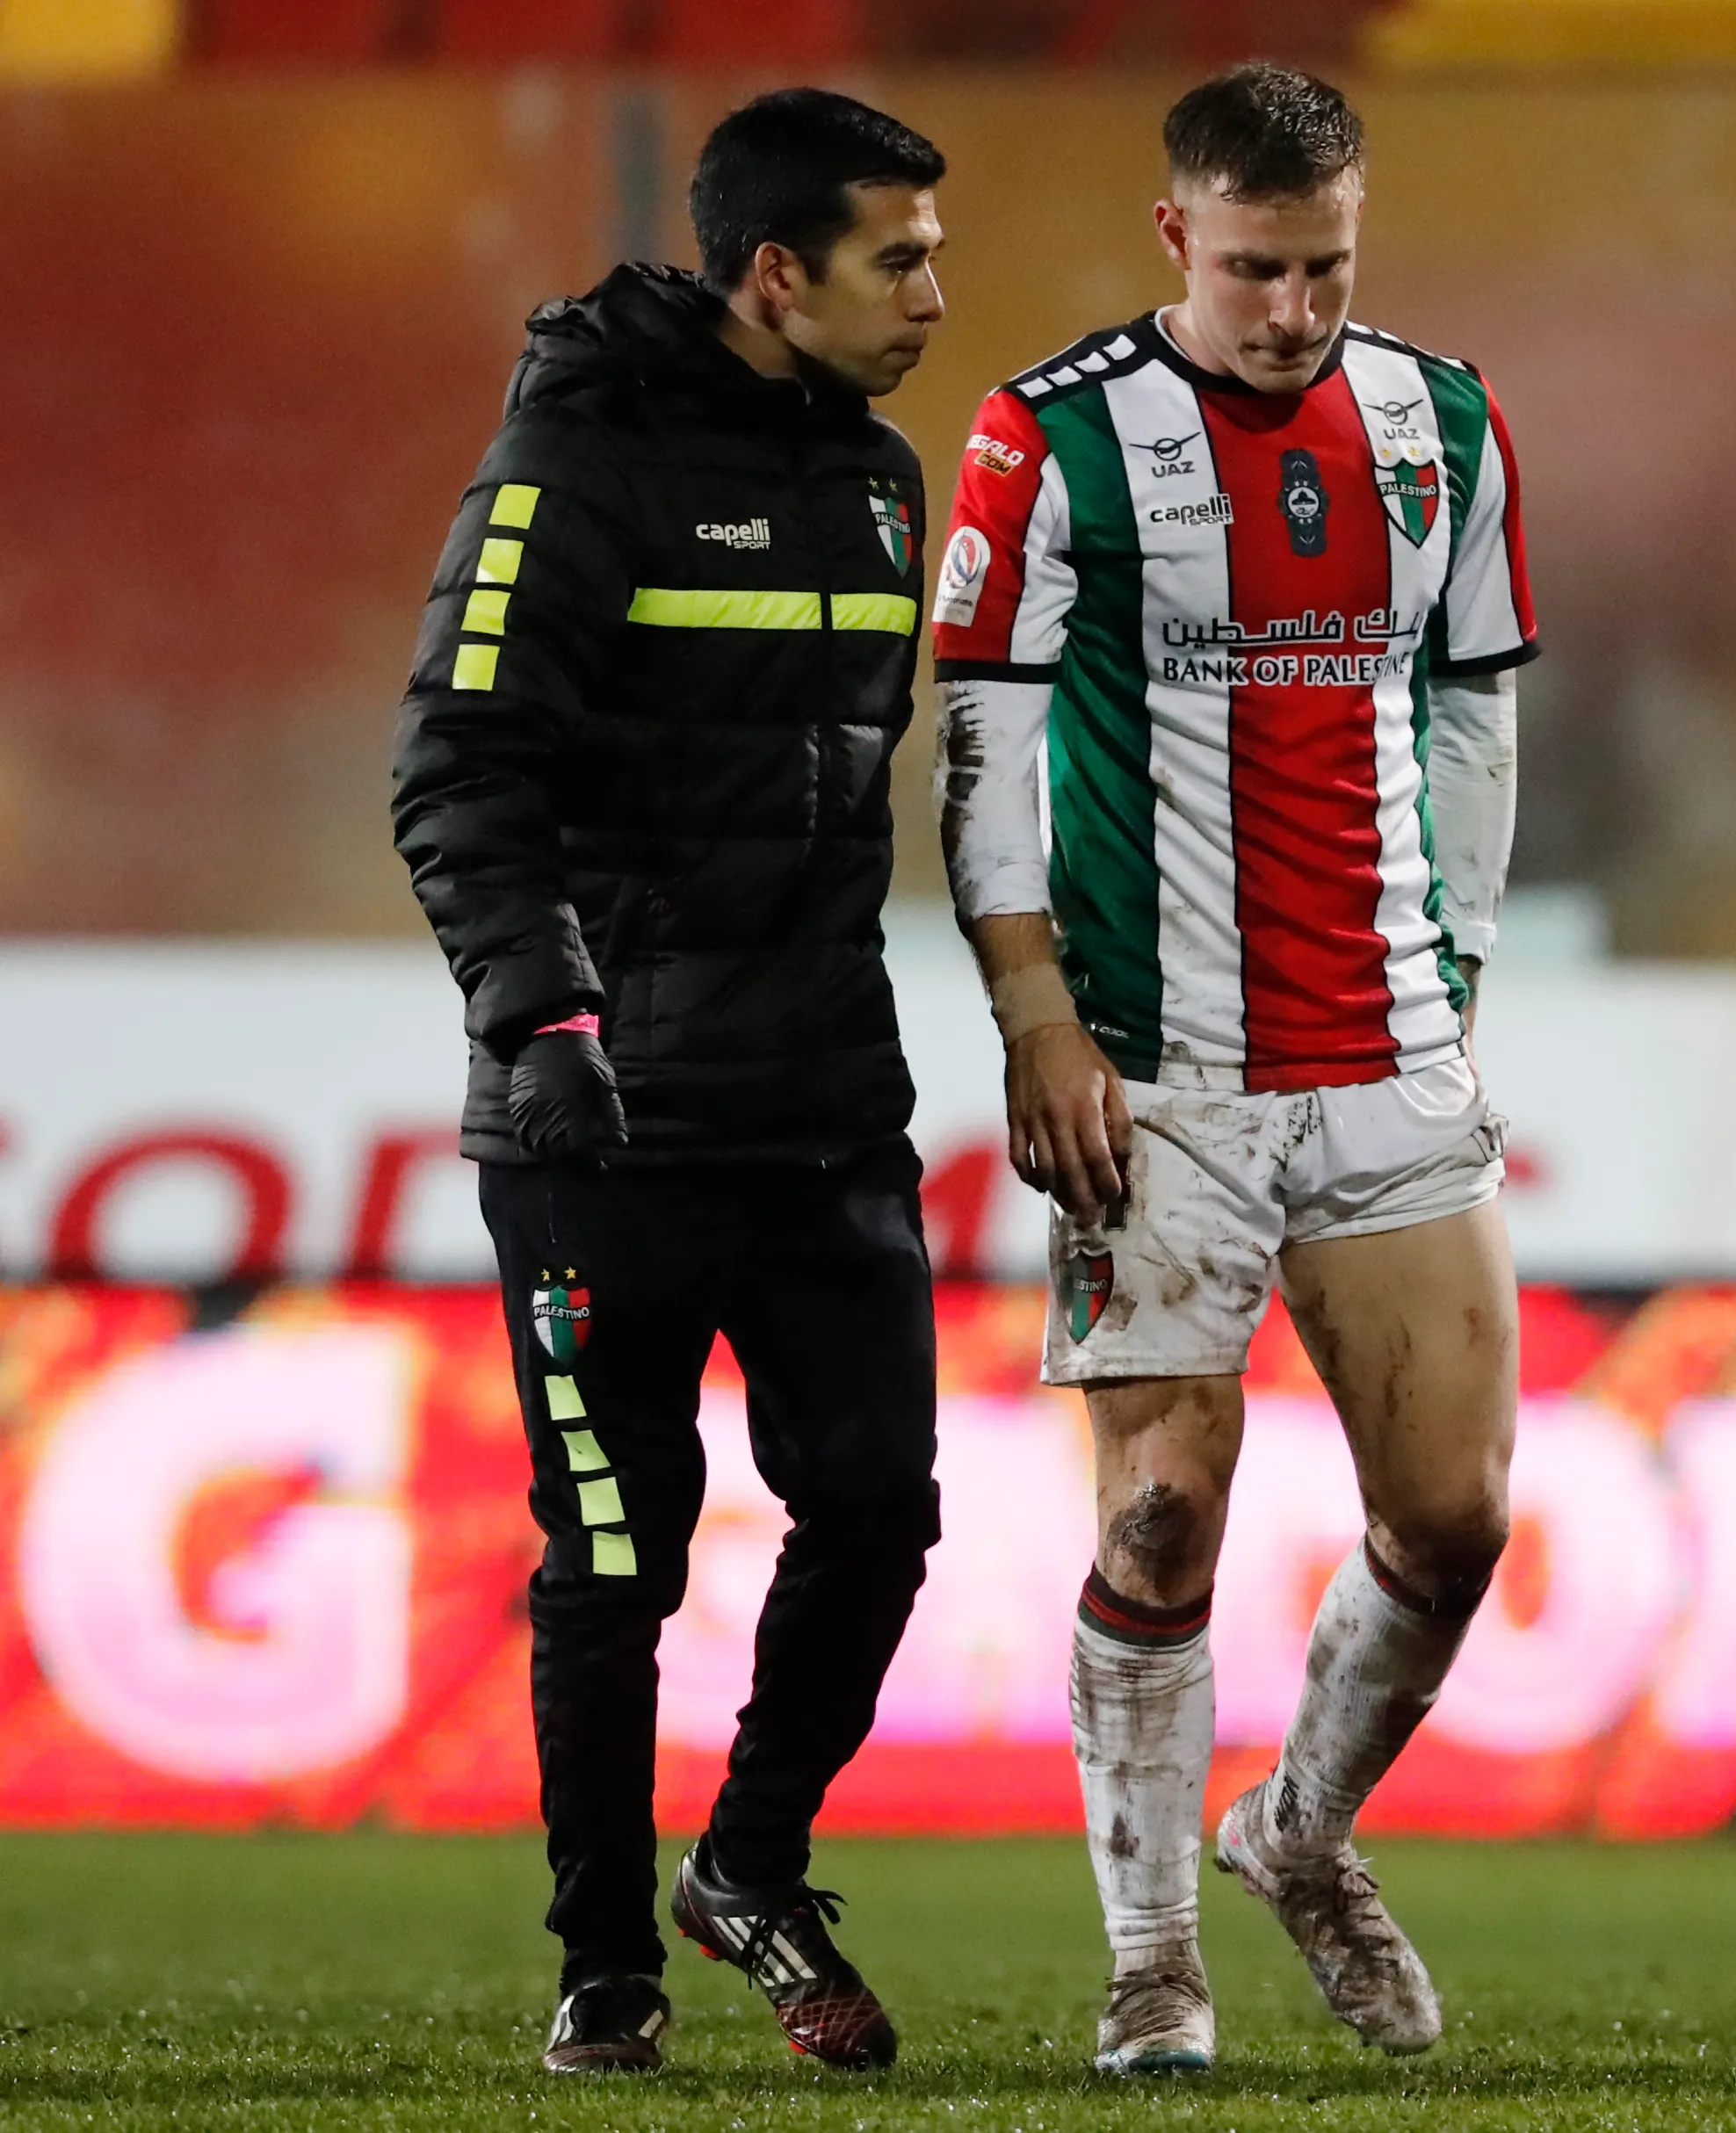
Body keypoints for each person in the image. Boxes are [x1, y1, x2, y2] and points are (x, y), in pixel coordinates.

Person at [929, 61, 1531, 2078]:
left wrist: (1458, 973)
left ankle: (1297, 1827)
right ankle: (1151, 1964)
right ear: (1177, 234)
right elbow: (988, 747)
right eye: (1259, 267)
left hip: (1386, 1051)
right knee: (1161, 1519)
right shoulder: (1048, 432)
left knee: (1452, 1523)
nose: (1295, 308)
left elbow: (1469, 710)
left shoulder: (1440, 423)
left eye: (1328, 265)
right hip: (1155, 1069)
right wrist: (1033, 1014)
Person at [389, 88, 951, 2079]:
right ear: (775, 273)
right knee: (615, 1551)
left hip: (825, 1109)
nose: (932, 297)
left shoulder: (887, 479)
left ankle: (750, 1861)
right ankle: (604, 1966)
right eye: (900, 258)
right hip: (602, 1121)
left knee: (879, 1506)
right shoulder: (570, 466)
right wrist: (545, 1022)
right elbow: (459, 767)